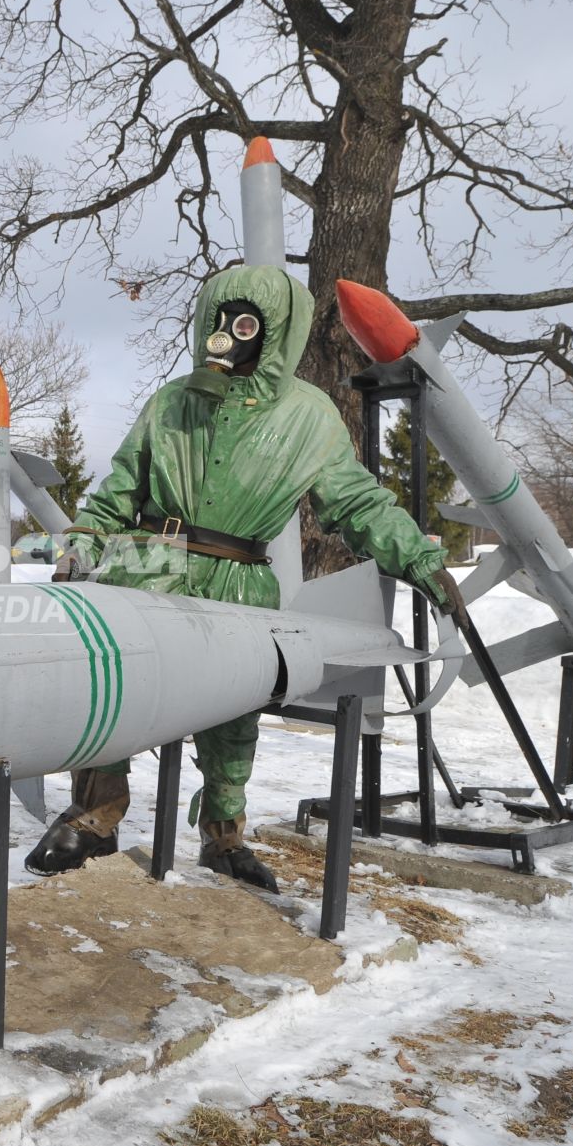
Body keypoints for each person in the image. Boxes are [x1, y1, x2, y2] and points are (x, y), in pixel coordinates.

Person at [24, 265, 463, 891]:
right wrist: (85, 542)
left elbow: (357, 504)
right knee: (113, 691)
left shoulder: (308, 418)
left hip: (239, 578)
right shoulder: (172, 402)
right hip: (148, 567)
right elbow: (120, 487)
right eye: (219, 320)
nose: (227, 335)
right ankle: (96, 815)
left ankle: (224, 835)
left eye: (246, 324)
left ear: (276, 332)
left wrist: (419, 560)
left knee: (232, 717)